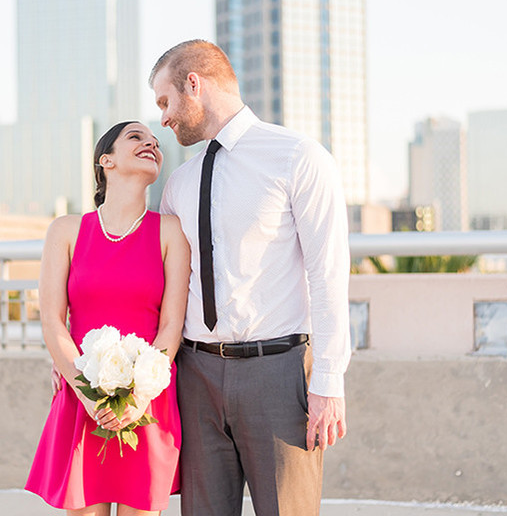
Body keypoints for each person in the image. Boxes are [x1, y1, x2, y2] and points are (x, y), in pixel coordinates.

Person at [151, 40, 351, 516]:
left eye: (165, 101)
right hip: (196, 379)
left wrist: (328, 380)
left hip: (278, 374)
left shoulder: (298, 157)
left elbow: (329, 275)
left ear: (193, 85)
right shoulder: (179, 184)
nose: (163, 118)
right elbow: (159, 286)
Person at [26, 121, 191, 516]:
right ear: (106, 161)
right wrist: (86, 392)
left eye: (155, 141)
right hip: (84, 397)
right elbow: (52, 319)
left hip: (147, 402)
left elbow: (172, 326)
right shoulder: (66, 230)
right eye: (136, 137)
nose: (151, 143)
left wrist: (137, 397)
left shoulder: (171, 232)